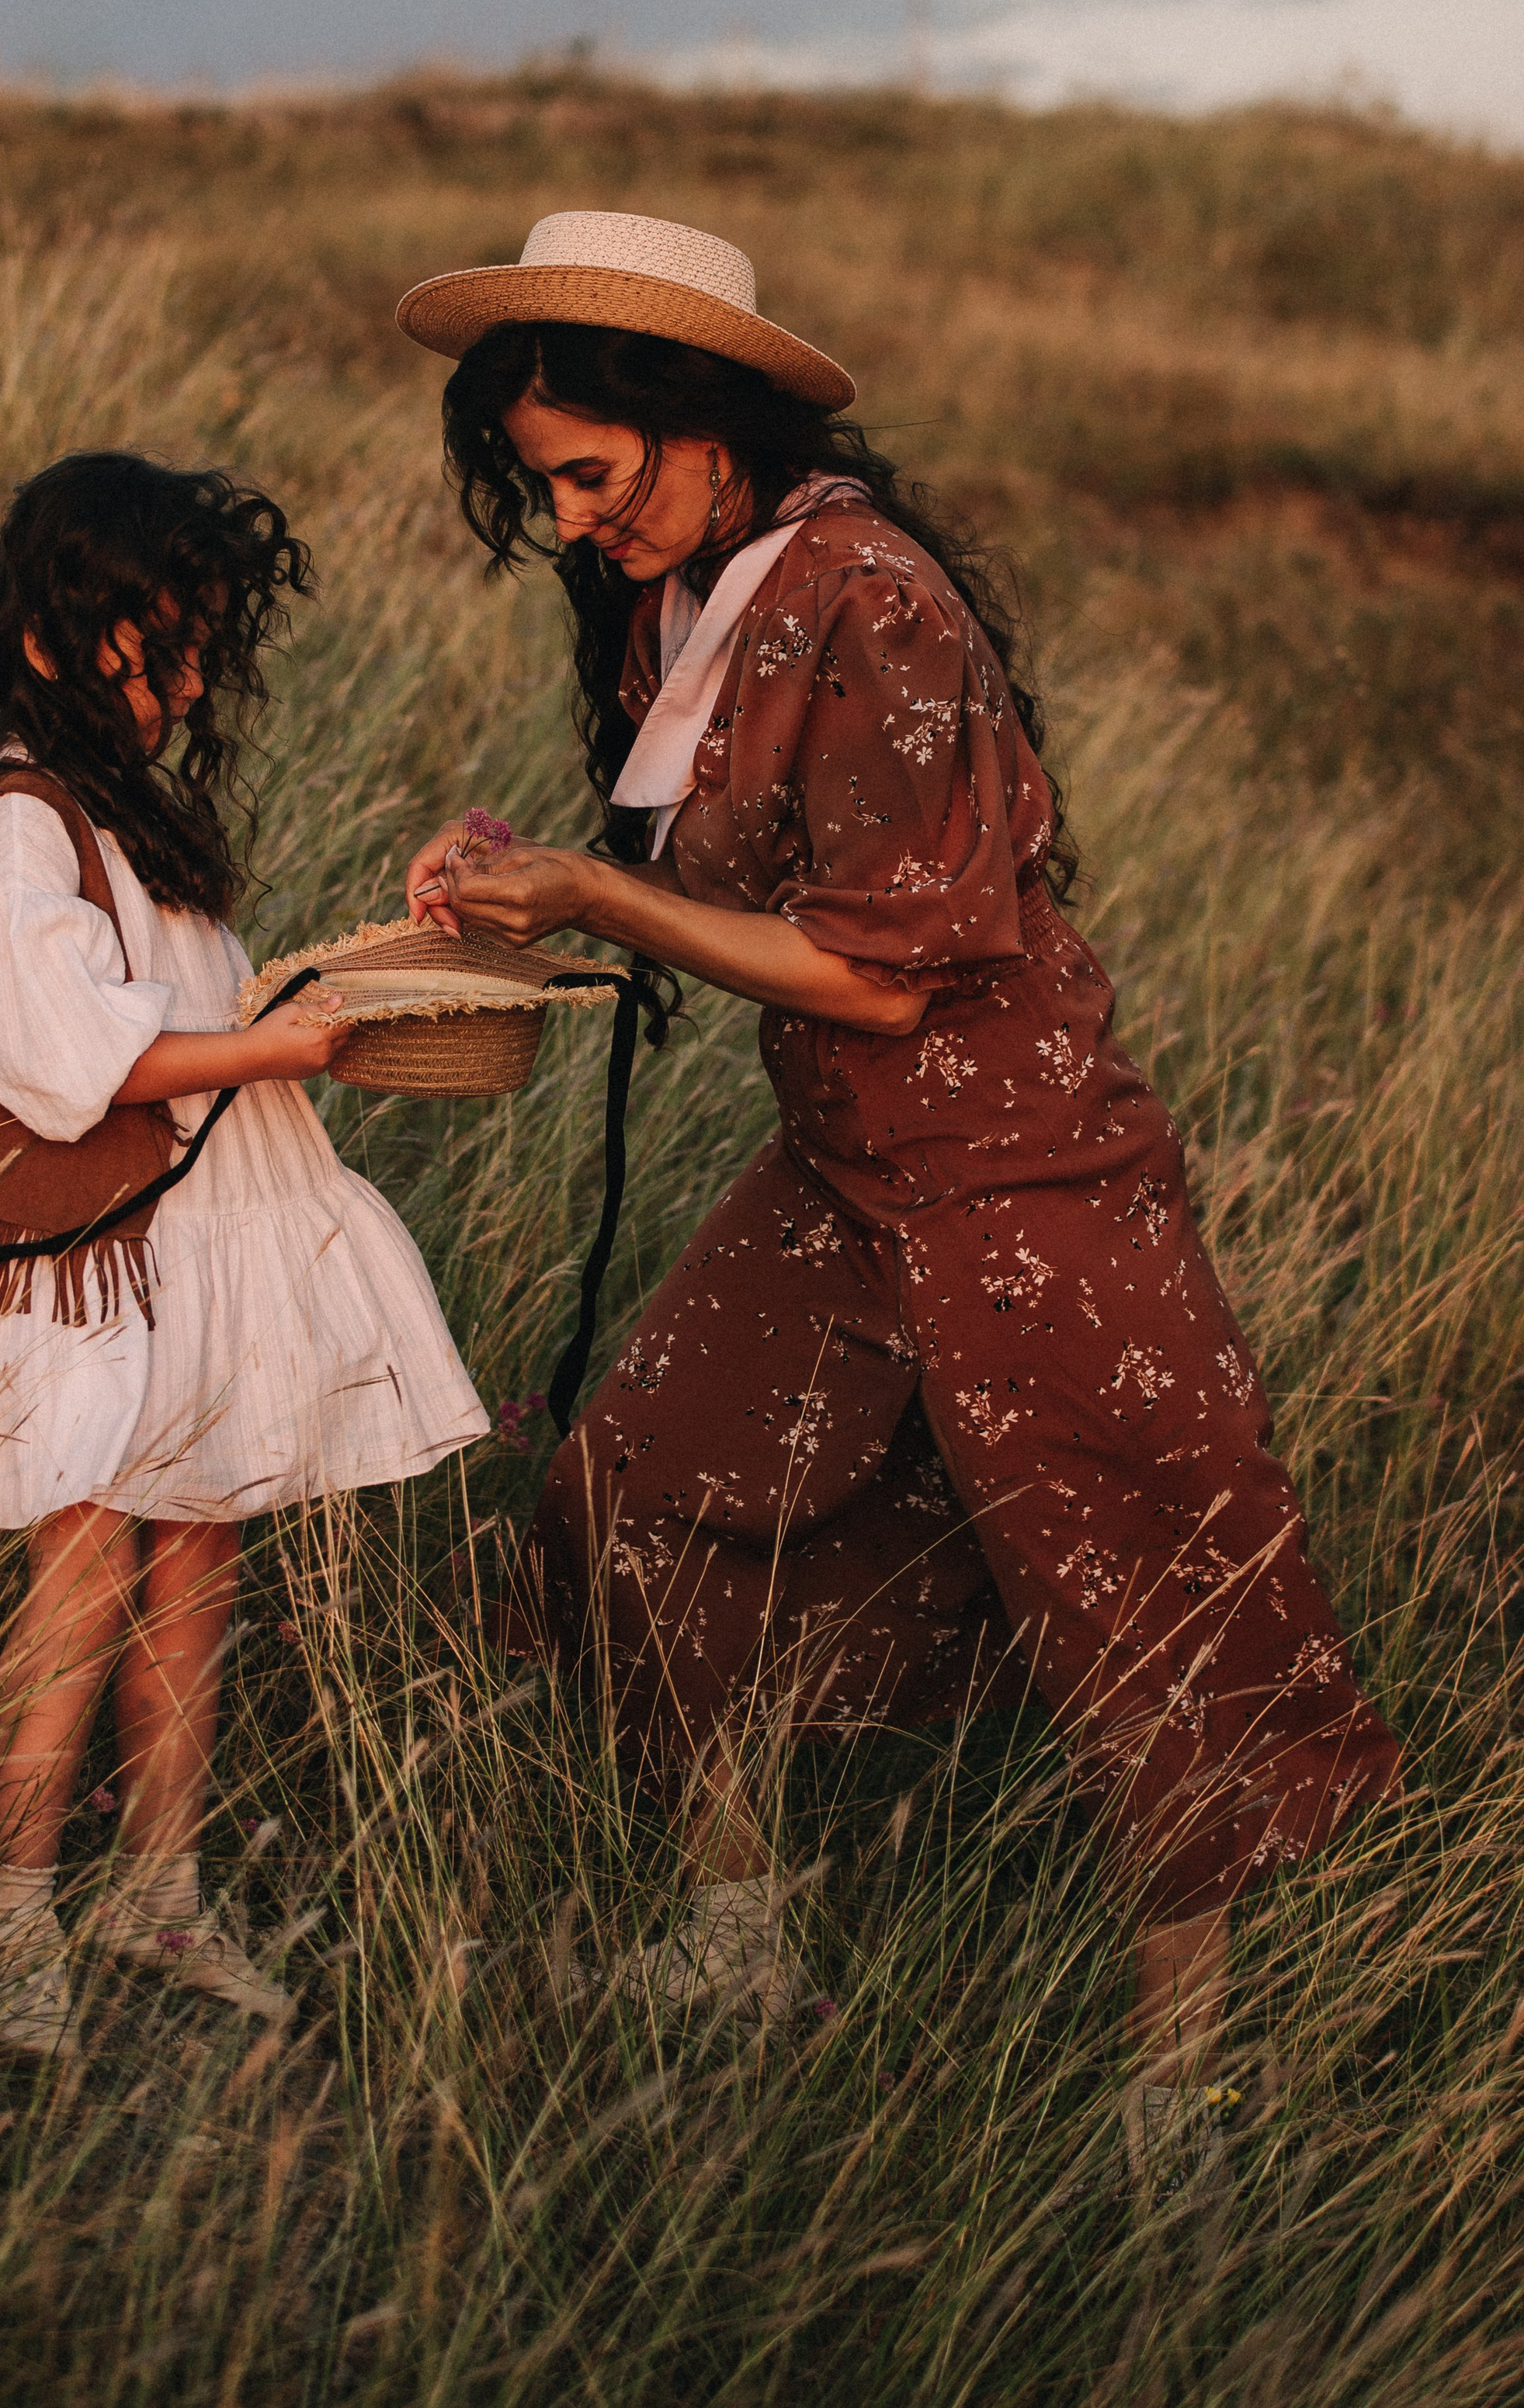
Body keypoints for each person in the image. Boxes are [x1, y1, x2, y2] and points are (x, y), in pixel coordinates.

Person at [395, 210, 1400, 2163]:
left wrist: (602, 895)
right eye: (546, 490)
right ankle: (739, 1932)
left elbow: (878, 962)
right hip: (855, 1161)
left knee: (1129, 1577)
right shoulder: (679, 597)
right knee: (635, 1472)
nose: (577, 518)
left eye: (592, 475)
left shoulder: (870, 595)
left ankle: (1169, 2091)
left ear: (703, 423)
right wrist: (534, 877)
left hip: (1020, 1167)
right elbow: (726, 909)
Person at [0, 449, 486, 2059]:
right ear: (49, 638)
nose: (177, 684)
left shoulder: (132, 819)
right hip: (97, 1257)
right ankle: (10, 1907)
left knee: (198, 1563)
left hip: (203, 1241)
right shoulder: (12, 835)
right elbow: (66, 1058)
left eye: (193, 652)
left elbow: (189, 1012)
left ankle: (155, 1892)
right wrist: (288, 1049)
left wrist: (354, 974)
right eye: (150, 647)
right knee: (84, 1576)